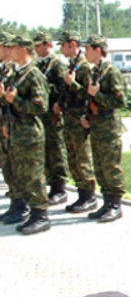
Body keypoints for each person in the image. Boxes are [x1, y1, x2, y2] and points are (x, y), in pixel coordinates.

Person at [70, 34, 126, 222]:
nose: (85, 52)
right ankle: (107, 202)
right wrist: (87, 116)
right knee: (100, 167)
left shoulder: (111, 72)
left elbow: (120, 101)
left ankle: (116, 204)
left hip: (109, 128)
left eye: (88, 49)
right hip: (96, 126)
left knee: (111, 166)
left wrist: (99, 94)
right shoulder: (96, 71)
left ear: (97, 49)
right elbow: (89, 97)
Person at [1, 34, 51, 234]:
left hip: (30, 134)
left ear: (23, 49)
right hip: (17, 132)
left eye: (12, 48)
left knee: (34, 176)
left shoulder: (33, 74)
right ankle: (28, 210)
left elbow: (41, 107)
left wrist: (15, 100)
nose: (9, 51)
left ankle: (41, 215)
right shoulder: (17, 73)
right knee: (22, 175)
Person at [56, 31, 98, 213]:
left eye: (63, 45)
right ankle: (81, 194)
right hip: (69, 119)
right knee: (72, 157)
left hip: (80, 119)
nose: (61, 49)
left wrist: (72, 84)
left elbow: (89, 95)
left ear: (72, 45)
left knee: (82, 158)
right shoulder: (71, 66)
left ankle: (89, 196)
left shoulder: (84, 67)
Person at [33, 31, 70, 206]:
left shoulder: (57, 64)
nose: (36, 49)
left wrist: (54, 98)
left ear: (48, 45)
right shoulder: (39, 65)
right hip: (42, 114)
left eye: (39, 45)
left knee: (56, 149)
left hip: (53, 112)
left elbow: (64, 88)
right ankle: (51, 183)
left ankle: (60, 187)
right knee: (46, 150)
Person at [0, 32, 22, 223]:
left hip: (12, 125)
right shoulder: (5, 70)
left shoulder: (12, 72)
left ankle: (20, 205)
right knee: (8, 168)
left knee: (15, 167)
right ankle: (15, 203)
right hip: (5, 125)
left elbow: (10, 102)